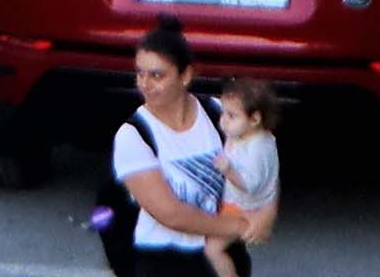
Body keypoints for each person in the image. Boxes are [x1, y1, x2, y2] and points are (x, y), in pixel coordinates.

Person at [108, 27, 267, 269]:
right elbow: (171, 214)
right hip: (164, 261)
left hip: (224, 255)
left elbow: (263, 163)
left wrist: (265, 214)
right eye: (140, 74)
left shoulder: (218, 114)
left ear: (185, 76)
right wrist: (241, 226)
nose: (145, 84)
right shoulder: (134, 135)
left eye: (157, 75)